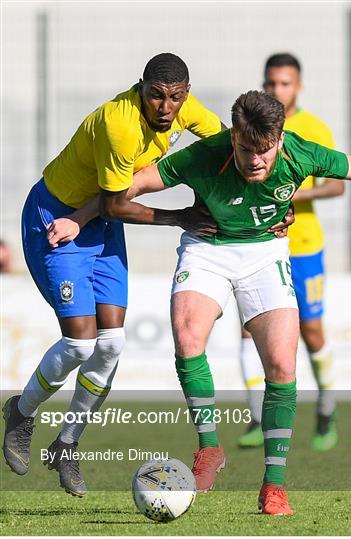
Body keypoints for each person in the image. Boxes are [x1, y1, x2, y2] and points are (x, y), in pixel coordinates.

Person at [103, 90, 351, 515]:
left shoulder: (300, 154)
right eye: (246, 149)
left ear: (280, 138)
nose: (256, 160)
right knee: (187, 336)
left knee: (283, 366)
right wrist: (108, 214)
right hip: (206, 249)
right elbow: (126, 189)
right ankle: (210, 449)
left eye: (265, 150)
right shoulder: (202, 156)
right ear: (232, 136)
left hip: (265, 256)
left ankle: (273, 486)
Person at [2, 53, 225, 497]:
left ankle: (67, 444)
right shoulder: (119, 124)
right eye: (156, 96)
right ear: (140, 87)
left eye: (175, 98)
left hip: (97, 223)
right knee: (81, 341)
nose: (166, 107)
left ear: (185, 93)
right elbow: (117, 203)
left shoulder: (186, 109)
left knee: (112, 343)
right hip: (57, 221)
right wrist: (182, 216)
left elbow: (224, 143)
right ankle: (21, 414)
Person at [238, 53, 344, 451]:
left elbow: (337, 185)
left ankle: (326, 412)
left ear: (298, 86)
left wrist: (297, 193)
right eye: (271, 83)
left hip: (303, 247)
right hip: (259, 244)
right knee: (249, 330)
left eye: (284, 83)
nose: (277, 90)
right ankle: (255, 417)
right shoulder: (251, 127)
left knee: (312, 331)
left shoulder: (314, 128)